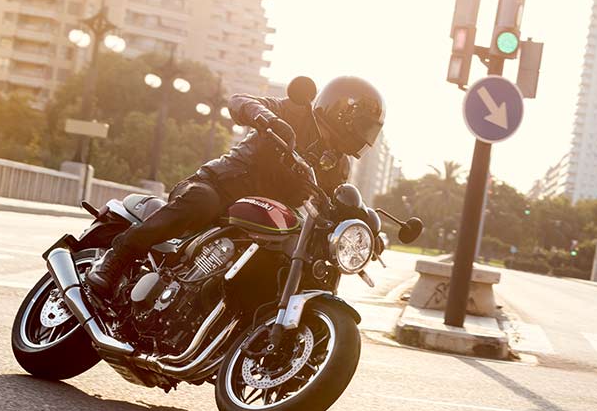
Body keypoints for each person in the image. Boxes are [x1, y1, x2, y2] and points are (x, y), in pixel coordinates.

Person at [86, 75, 385, 298]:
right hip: (221, 187)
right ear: (341, 113)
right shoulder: (294, 113)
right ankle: (117, 257)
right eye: (362, 126)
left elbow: (331, 205)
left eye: (369, 130)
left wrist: (363, 233)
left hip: (265, 217)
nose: (363, 136)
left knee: (290, 255)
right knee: (201, 202)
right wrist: (266, 118)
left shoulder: (338, 164)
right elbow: (240, 101)